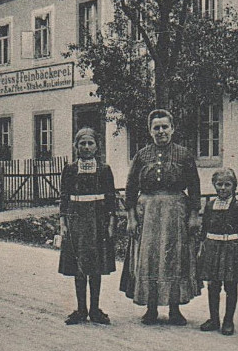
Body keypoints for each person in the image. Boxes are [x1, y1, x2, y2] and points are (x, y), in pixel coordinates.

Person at [120, 109, 201, 325]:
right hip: (147, 213)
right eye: (156, 127)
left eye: (165, 127)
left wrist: (194, 215)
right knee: (150, 258)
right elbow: (130, 188)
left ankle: (175, 309)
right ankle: (151, 308)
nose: (161, 131)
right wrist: (131, 217)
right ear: (150, 131)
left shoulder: (184, 155)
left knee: (174, 258)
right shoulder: (141, 155)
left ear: (172, 129)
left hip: (176, 212)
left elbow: (194, 187)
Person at [57, 127, 116, 325]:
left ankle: (95, 309)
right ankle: (81, 309)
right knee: (79, 266)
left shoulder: (104, 169)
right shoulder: (70, 169)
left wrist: (111, 223)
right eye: (82, 143)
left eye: (90, 143)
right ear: (76, 146)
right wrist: (63, 223)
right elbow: (64, 197)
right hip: (76, 220)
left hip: (98, 221)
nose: (86, 147)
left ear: (97, 146)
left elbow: (111, 199)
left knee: (96, 266)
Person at [196, 168, 238, 336]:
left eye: (227, 184)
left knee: (230, 285)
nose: (223, 188)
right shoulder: (210, 205)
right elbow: (204, 229)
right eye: (219, 184)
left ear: (234, 186)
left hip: (230, 249)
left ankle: (228, 320)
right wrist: (201, 248)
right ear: (214, 185)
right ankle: (214, 319)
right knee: (213, 285)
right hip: (212, 248)